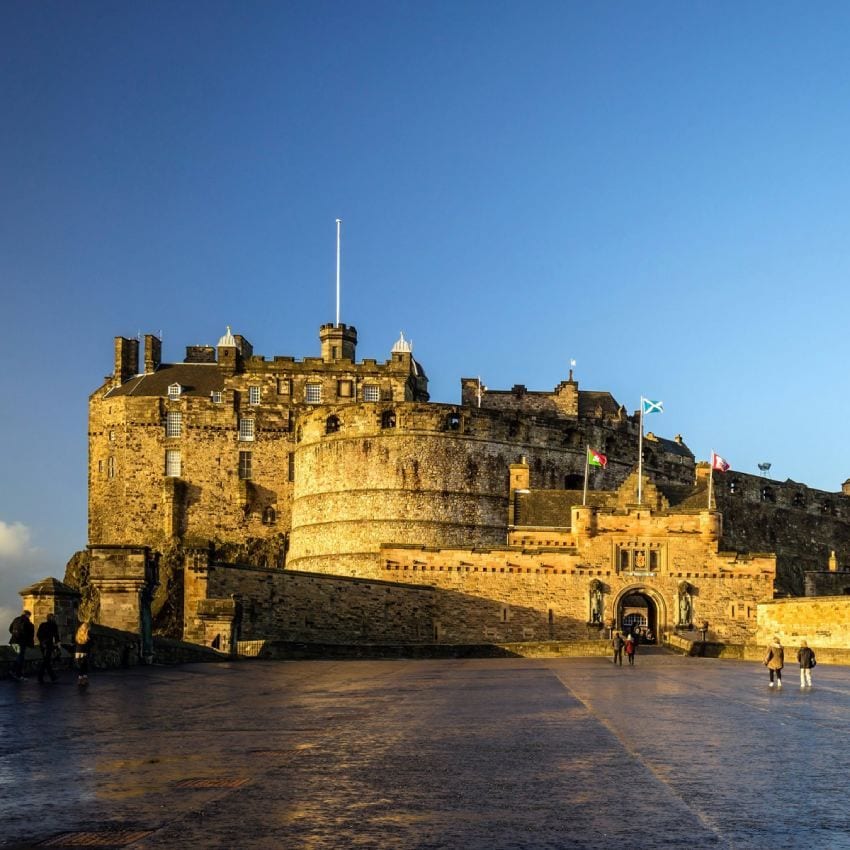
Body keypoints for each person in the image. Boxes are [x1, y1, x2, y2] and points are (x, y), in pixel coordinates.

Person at [8, 610, 35, 681]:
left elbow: (10, 629)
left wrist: (15, 634)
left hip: (14, 641)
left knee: (18, 656)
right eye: (29, 615)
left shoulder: (16, 619)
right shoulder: (27, 622)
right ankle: (18, 674)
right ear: (27, 615)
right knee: (20, 657)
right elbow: (30, 635)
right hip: (21, 642)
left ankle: (13, 671)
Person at [36, 613, 61, 684]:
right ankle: (41, 677)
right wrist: (58, 645)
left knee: (46, 660)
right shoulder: (53, 625)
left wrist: (42, 642)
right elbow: (56, 636)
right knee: (46, 661)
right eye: (53, 617)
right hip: (48, 645)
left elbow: (38, 634)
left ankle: (52, 676)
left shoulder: (42, 625)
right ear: (51, 618)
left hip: (43, 645)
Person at [75, 621, 92, 687]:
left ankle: (80, 680)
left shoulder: (78, 633)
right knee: (84, 667)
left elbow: (76, 642)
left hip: (77, 653)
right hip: (84, 652)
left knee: (80, 668)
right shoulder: (87, 634)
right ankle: (84, 680)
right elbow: (89, 644)